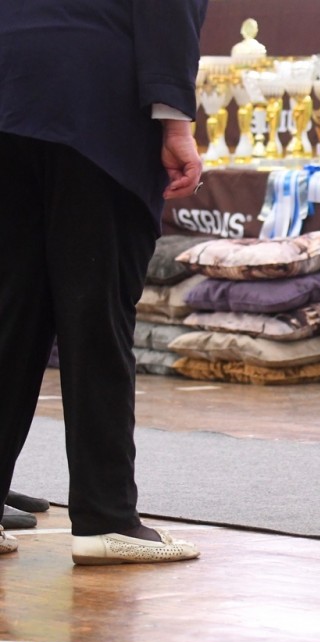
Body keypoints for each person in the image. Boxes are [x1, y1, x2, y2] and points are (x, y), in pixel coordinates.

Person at [0, 0, 209, 562]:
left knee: (12, 314)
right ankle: (105, 517)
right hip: (96, 99)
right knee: (95, 313)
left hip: (9, 88)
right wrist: (176, 122)